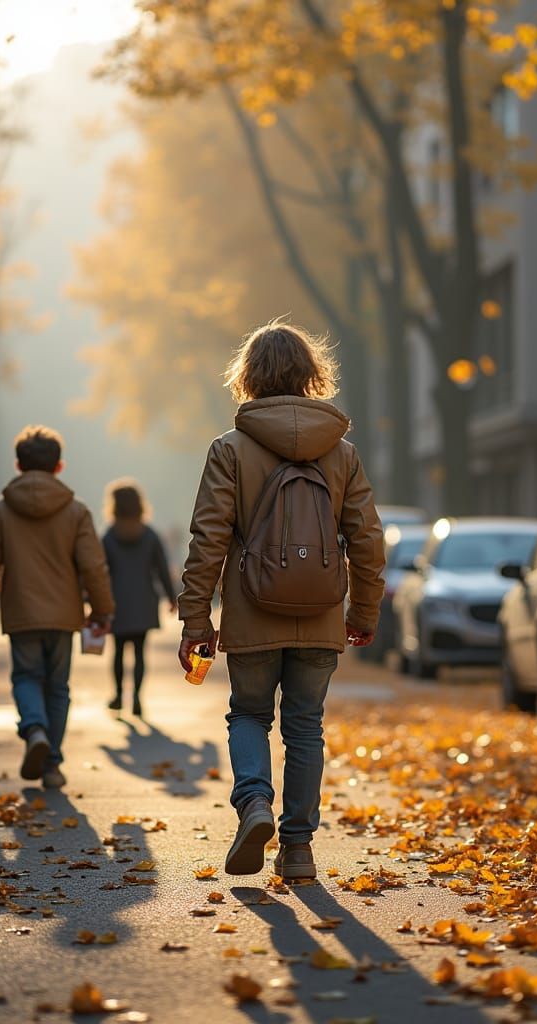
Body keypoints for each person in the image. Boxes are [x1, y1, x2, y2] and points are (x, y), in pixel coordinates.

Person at [178, 320, 385, 880]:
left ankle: (254, 804)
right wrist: (363, 613)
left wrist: (196, 619)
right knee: (305, 727)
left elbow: (209, 538)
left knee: (248, 714)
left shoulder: (229, 450)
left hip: (251, 611)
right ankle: (298, 850)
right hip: (320, 614)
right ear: (310, 375)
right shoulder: (341, 453)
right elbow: (367, 538)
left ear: (248, 378)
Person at [0, 425, 114, 789]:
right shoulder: (76, 512)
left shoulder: (1, 511)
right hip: (64, 615)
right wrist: (101, 609)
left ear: (18, 464)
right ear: (59, 467)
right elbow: (92, 565)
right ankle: (51, 764)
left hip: (21, 613)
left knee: (26, 676)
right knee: (58, 687)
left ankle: (34, 728)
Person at [101, 479, 177, 718]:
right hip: (144, 601)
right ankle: (136, 698)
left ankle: (117, 694)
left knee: (118, 651)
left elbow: (99, 571)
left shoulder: (109, 537)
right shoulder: (150, 535)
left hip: (117, 602)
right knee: (140, 652)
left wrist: (92, 600)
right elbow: (163, 569)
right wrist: (172, 597)